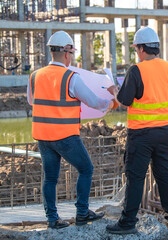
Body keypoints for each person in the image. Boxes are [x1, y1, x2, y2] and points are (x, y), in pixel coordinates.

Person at [27, 31, 115, 229]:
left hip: (43, 136)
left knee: (49, 178)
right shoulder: (70, 77)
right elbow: (94, 101)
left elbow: (32, 101)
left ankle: (52, 219)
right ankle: (82, 213)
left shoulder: (34, 76)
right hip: (65, 136)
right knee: (86, 169)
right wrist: (111, 103)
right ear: (67, 53)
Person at [106, 27, 168, 235]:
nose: (136, 53)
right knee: (165, 174)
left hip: (141, 133)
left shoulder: (136, 70)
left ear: (141, 48)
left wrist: (114, 90)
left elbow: (124, 101)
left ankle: (127, 222)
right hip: (164, 131)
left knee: (135, 176)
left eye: (136, 49)